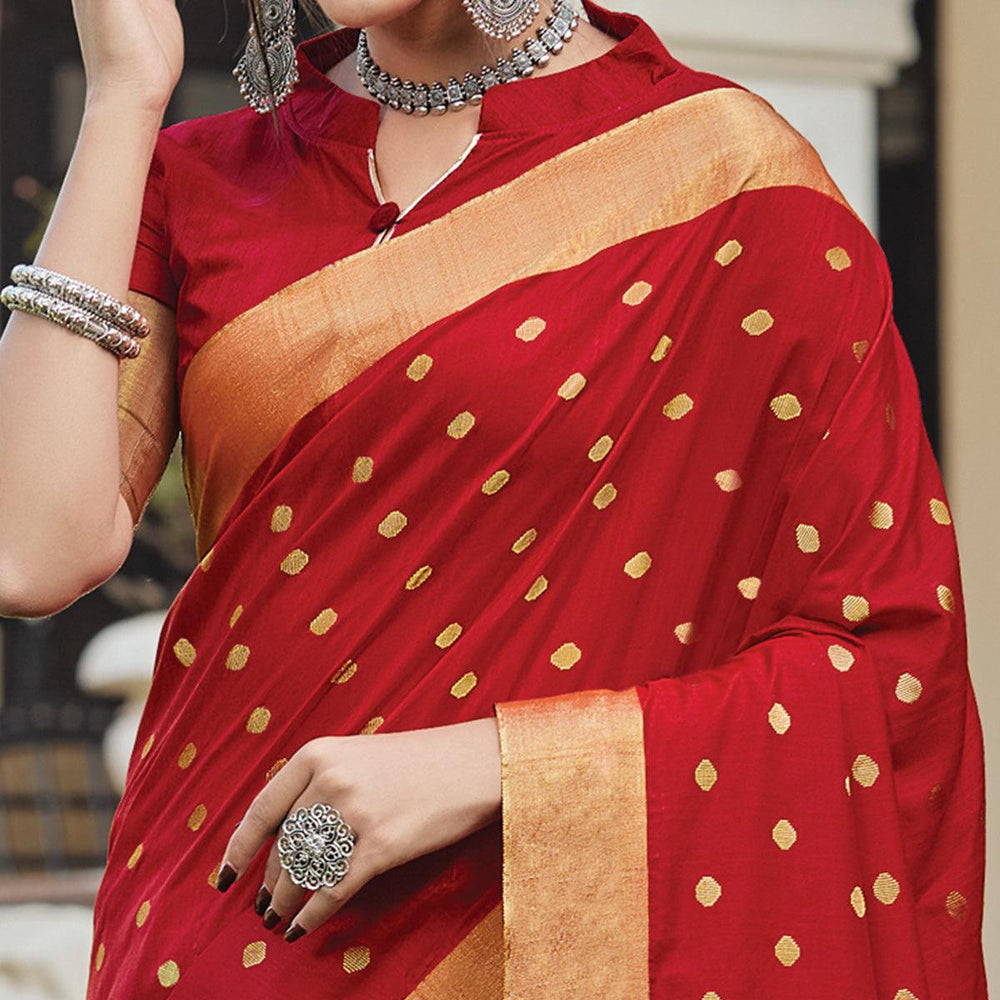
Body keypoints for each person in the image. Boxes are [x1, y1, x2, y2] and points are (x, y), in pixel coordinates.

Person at [0, 0, 987, 996]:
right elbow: (31, 551)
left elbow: (882, 660)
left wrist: (504, 765)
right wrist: (124, 93)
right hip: (217, 925)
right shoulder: (200, 175)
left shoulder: (731, 181)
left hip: (531, 938)